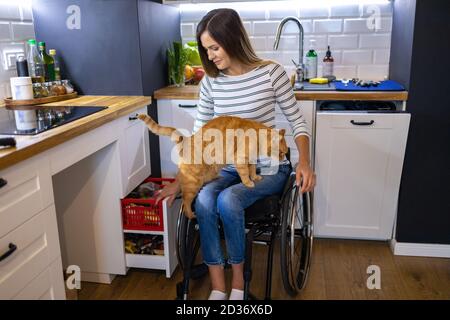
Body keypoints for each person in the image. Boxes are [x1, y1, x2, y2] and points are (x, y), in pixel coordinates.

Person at [156, 8, 316, 300]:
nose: (211, 56)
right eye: (207, 50)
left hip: (268, 169)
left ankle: (238, 286)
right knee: (204, 198)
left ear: (233, 39)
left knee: (229, 200)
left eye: (214, 48)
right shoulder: (210, 83)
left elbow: (298, 122)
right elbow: (199, 139)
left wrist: (304, 161)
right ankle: (218, 287)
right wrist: (182, 180)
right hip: (226, 169)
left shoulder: (271, 73)